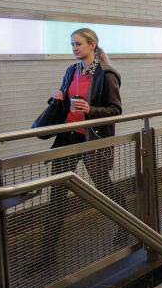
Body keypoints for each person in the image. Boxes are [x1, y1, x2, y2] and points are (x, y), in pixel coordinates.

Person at [43, 27, 125, 254]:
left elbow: (115, 110)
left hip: (92, 139)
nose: (74, 49)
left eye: (78, 44)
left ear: (92, 45)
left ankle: (126, 226)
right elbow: (63, 97)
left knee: (103, 186)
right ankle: (47, 253)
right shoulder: (71, 71)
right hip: (68, 138)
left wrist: (90, 109)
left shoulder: (106, 74)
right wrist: (56, 98)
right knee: (57, 193)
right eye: (72, 44)